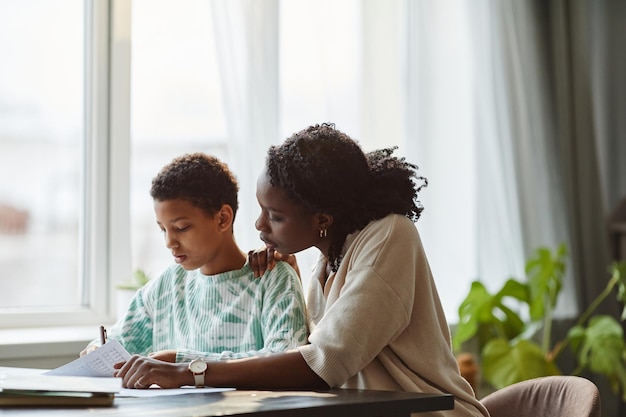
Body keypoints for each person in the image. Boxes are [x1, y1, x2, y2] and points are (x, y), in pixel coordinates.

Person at [115, 125, 488, 417]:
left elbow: (324, 361)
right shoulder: (324, 261)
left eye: (275, 217)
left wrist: (189, 371)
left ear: (321, 219)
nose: (259, 226)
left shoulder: (389, 236)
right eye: (262, 210)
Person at [81, 152, 307, 369]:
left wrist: (180, 361)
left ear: (223, 219)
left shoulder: (274, 280)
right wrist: (95, 351)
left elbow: (285, 359)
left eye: (182, 228)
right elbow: (115, 345)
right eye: (163, 230)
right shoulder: (166, 286)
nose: (170, 242)